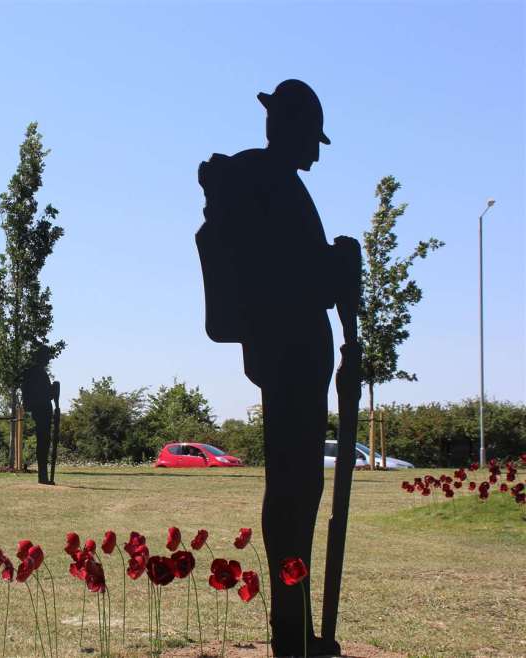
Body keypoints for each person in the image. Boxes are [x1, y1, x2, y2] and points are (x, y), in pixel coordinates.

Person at [197, 79, 359, 657]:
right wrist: (338, 269)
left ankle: (294, 627)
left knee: (298, 491)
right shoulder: (268, 186)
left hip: (292, 352)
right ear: (287, 128)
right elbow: (286, 279)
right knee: (294, 492)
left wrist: (335, 268)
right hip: (291, 351)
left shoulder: (271, 183)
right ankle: (290, 632)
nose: (316, 151)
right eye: (311, 138)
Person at [20, 346, 55, 485]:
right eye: (47, 357)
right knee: (43, 442)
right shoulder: (38, 373)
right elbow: (43, 395)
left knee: (44, 442)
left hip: (40, 409)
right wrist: (54, 390)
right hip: (42, 410)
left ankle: (43, 475)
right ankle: (43, 476)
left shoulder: (35, 372)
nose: (48, 359)